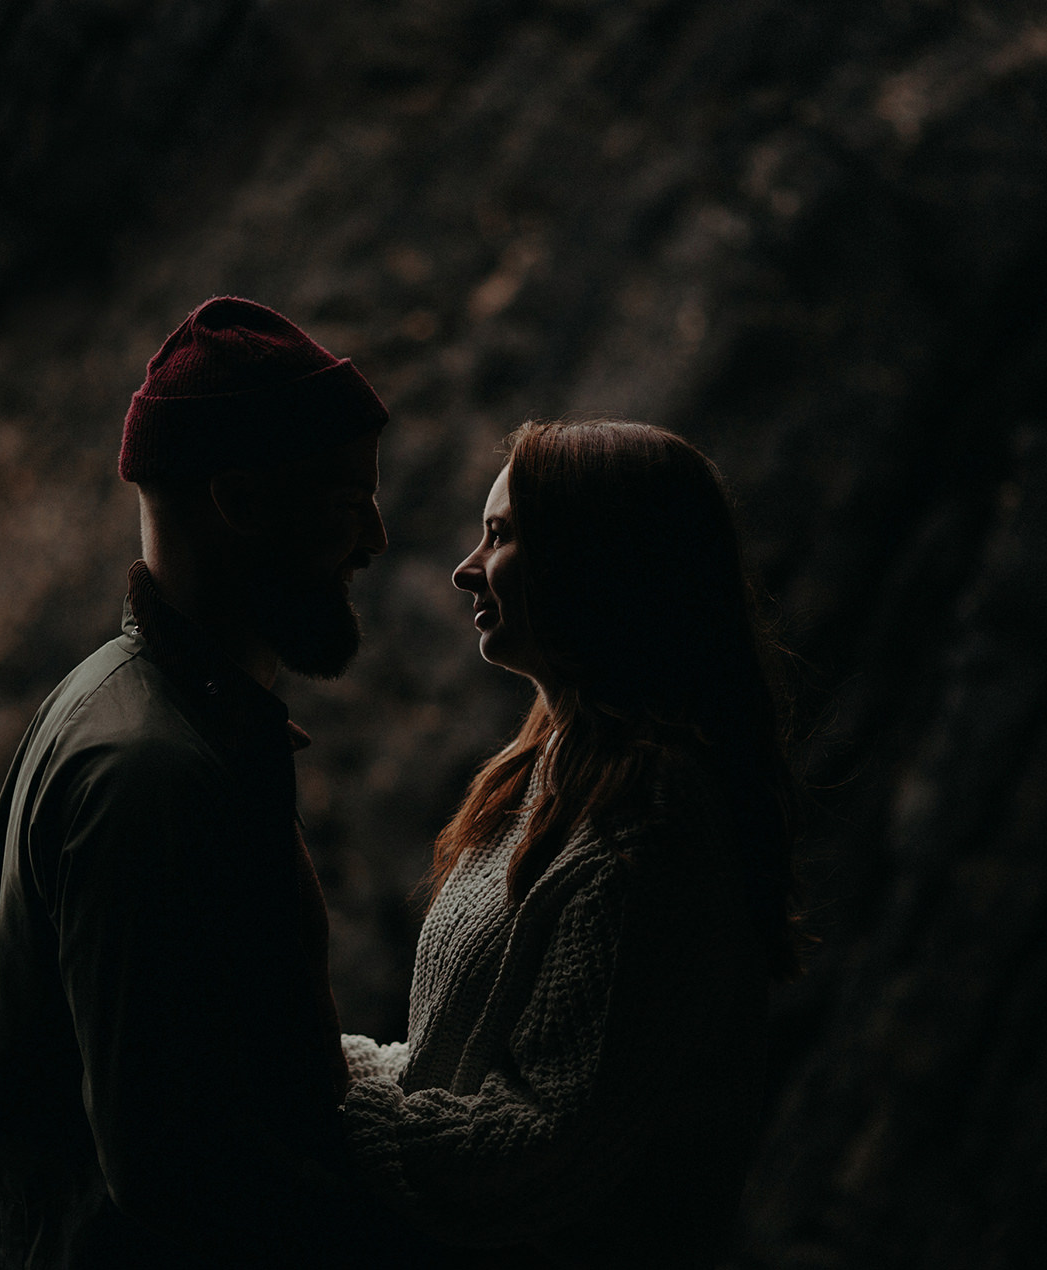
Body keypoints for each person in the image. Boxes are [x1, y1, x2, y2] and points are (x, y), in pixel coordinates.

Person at [0, 296, 426, 1267]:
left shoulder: (142, 710)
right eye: (345, 501)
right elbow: (177, 1167)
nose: (374, 538)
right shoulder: (148, 768)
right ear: (240, 502)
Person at [339, 419, 800, 1268]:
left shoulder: (650, 831)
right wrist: (338, 1066)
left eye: (501, 534)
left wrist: (338, 1099)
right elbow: (465, 1062)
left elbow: (543, 1144)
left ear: (595, 557)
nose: (464, 567)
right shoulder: (545, 774)